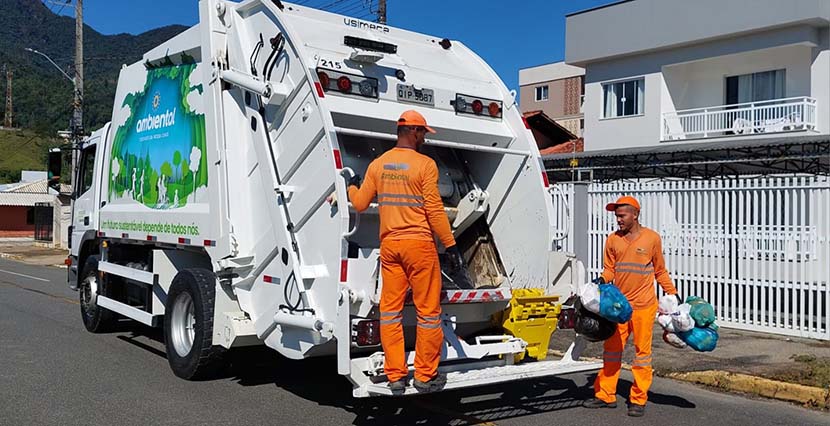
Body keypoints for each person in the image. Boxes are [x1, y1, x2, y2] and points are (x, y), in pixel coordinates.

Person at [347, 110, 464, 394]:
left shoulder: (378, 165)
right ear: (413, 132)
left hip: (390, 247)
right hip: (420, 247)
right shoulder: (425, 165)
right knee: (428, 313)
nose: (424, 137)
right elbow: (434, 210)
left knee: (389, 313)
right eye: (423, 132)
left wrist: (350, 185)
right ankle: (424, 375)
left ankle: (396, 375)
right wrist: (450, 244)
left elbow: (361, 203)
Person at [583, 196, 679, 417]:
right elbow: (610, 269)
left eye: (621, 215)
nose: (618, 220)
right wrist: (601, 280)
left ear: (635, 214)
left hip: (644, 307)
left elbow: (660, 270)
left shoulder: (651, 239)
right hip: (619, 308)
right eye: (616, 216)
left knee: (642, 355)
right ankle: (605, 395)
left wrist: (672, 292)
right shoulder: (612, 240)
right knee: (612, 351)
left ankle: (638, 399)